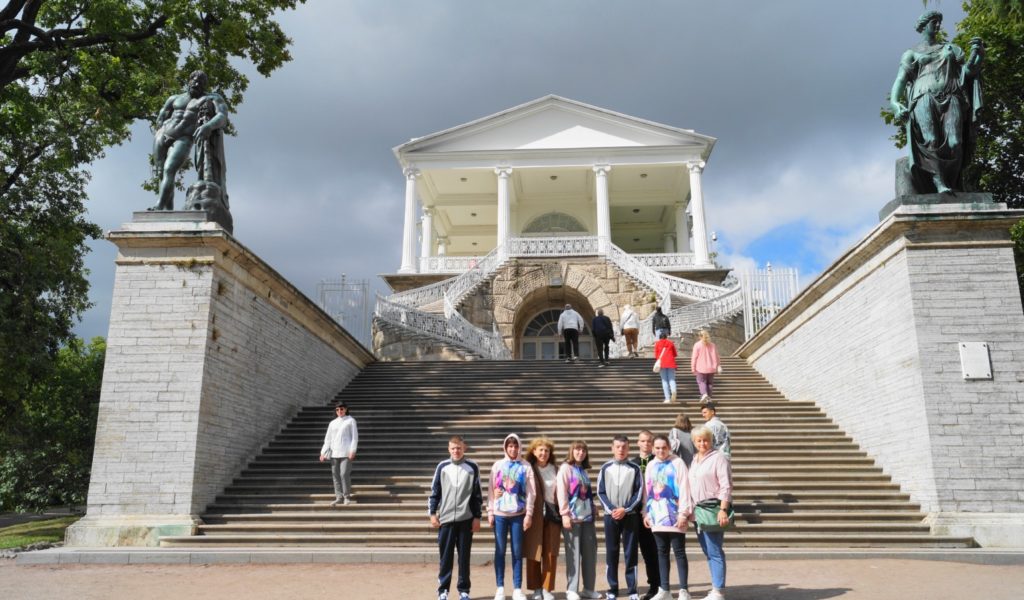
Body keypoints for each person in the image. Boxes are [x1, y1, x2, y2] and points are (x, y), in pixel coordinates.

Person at [890, 10, 984, 194]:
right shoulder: (911, 53)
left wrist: (977, 55)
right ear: (924, 26)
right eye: (934, 22)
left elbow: (967, 73)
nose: (938, 26)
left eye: (939, 22)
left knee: (956, 142)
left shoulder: (952, 49)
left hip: (952, 95)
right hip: (923, 96)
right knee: (931, 140)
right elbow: (901, 80)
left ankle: (952, 181)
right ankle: (939, 183)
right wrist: (895, 103)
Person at [151, 70, 229, 210]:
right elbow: (162, 115)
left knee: (169, 169)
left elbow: (222, 117)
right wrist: (160, 127)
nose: (197, 83)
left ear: (205, 85)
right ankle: (168, 211)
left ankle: (159, 205)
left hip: (184, 138)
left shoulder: (212, 98)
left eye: (201, 82)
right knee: (160, 172)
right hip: (162, 135)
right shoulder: (174, 98)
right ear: (189, 81)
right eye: (194, 80)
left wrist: (208, 126)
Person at [429, 436, 483, 600]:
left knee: (464, 557)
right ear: (448, 449)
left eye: (458, 448)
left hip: (466, 519)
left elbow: (477, 495)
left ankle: (464, 590)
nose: (456, 451)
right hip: (445, 519)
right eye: (453, 448)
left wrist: (477, 517)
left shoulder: (472, 467)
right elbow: (435, 492)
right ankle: (443, 590)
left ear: (464, 447)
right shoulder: (442, 466)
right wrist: (432, 513)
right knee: (445, 557)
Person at [642, 435, 692, 600]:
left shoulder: (677, 463)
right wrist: (646, 513)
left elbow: (685, 487)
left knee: (679, 552)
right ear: (653, 448)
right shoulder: (650, 465)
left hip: (676, 514)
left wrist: (683, 512)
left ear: (669, 447)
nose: (660, 451)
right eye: (657, 448)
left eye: (663, 447)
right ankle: (665, 590)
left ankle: (684, 590)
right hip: (657, 514)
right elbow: (647, 491)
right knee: (661, 552)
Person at [489, 434, 537, 600]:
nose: (513, 449)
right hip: (500, 515)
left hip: (518, 515)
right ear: (505, 447)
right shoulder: (497, 466)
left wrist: (529, 514)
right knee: (500, 551)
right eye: (510, 446)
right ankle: (500, 587)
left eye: (515, 446)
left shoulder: (526, 466)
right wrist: (490, 511)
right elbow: (490, 490)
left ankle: (517, 588)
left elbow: (531, 493)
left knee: (517, 551)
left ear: (519, 447)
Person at [597, 435, 644, 600]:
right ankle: (612, 589)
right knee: (612, 552)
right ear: (612, 448)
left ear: (628, 448)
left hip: (630, 516)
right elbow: (600, 492)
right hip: (611, 517)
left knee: (630, 553)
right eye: (617, 447)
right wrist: (611, 509)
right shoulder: (605, 468)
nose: (621, 450)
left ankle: (632, 590)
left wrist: (626, 509)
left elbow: (639, 493)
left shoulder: (635, 468)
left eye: (624, 447)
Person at [689, 426, 733, 600]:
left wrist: (723, 509)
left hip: (713, 508)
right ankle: (715, 586)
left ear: (711, 440)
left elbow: (726, 485)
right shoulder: (694, 459)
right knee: (708, 550)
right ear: (694, 442)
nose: (702, 443)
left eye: (705, 440)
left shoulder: (719, 458)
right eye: (699, 440)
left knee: (714, 550)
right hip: (698, 510)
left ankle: (719, 590)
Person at [558, 440, 600, 600]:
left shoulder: (582, 470)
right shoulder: (565, 468)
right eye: (577, 449)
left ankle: (588, 588)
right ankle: (572, 589)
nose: (580, 452)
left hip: (587, 518)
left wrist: (593, 506)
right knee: (573, 555)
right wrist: (564, 514)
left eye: (583, 450)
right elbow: (561, 492)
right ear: (571, 451)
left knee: (590, 554)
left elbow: (586, 493)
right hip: (572, 518)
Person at [524, 438, 560, 600]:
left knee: (550, 553)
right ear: (533, 451)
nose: (543, 453)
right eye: (540, 450)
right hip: (534, 515)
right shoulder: (528, 469)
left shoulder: (556, 469)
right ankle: (536, 588)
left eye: (546, 450)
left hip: (553, 515)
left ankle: (547, 588)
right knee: (534, 551)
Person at [630, 431, 661, 600]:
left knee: (654, 551)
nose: (646, 444)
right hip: (634, 513)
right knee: (638, 552)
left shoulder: (658, 462)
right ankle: (633, 588)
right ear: (638, 443)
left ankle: (656, 586)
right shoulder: (632, 463)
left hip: (655, 512)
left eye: (649, 441)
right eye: (643, 441)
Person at [319, 402, 358, 506]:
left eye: (341, 409)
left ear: (345, 409)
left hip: (346, 452)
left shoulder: (351, 420)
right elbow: (328, 439)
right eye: (337, 409)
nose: (339, 411)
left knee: (344, 474)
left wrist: (352, 451)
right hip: (334, 452)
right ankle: (339, 497)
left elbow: (354, 437)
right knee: (335, 475)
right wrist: (323, 452)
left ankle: (346, 497)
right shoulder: (332, 423)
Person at [690, 331, 720, 403]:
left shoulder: (697, 345)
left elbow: (694, 357)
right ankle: (708, 398)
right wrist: (717, 365)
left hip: (701, 367)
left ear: (699, 336)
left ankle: (704, 394)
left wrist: (693, 367)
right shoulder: (712, 345)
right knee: (709, 383)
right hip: (711, 368)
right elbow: (716, 356)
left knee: (701, 382)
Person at [654, 332, 678, 404]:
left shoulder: (657, 343)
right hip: (671, 362)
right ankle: (673, 390)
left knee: (664, 380)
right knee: (671, 379)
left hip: (662, 363)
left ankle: (667, 398)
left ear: (660, 337)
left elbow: (656, 355)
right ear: (666, 337)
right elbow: (675, 354)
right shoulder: (670, 343)